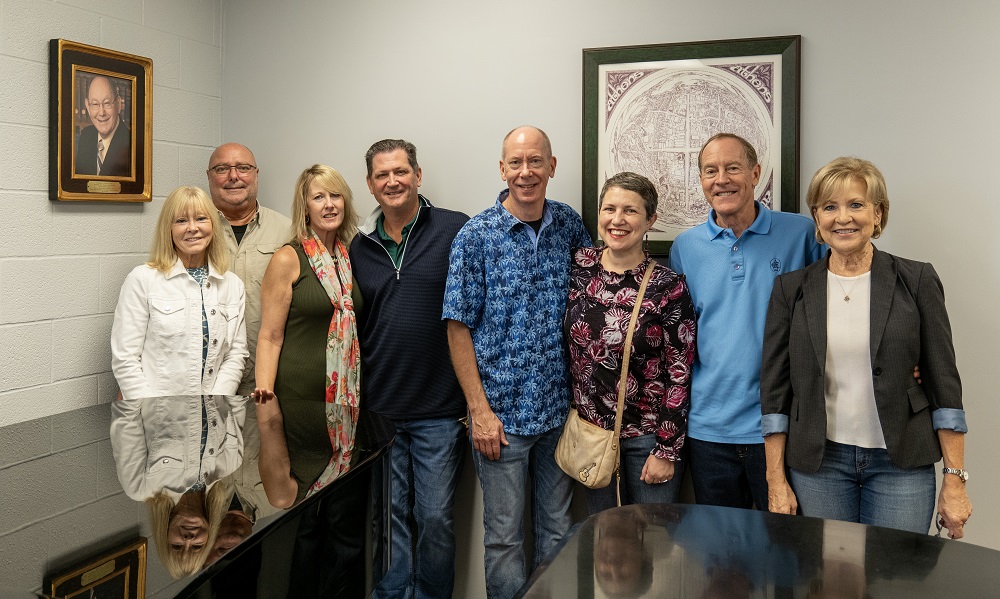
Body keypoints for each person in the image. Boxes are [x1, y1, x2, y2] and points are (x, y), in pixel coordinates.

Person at [760, 157, 972, 537]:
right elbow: (774, 393)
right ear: (817, 220)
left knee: (895, 581)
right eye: (829, 207)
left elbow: (944, 384)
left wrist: (955, 481)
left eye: (856, 205)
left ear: (878, 214)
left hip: (900, 463)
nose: (843, 218)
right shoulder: (790, 290)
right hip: (820, 465)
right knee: (830, 587)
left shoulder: (916, 279)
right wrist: (775, 479)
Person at [443, 125, 592, 599]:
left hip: (559, 413)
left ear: (552, 166)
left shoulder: (570, 225)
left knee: (557, 530)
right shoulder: (477, 235)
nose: (525, 172)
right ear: (502, 168)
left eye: (535, 161)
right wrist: (479, 411)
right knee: (504, 539)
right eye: (516, 163)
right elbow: (456, 327)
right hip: (500, 420)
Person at [669, 133, 824, 511]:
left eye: (733, 168)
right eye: (710, 171)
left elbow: (836, 304)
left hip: (781, 424)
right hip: (708, 429)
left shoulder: (801, 234)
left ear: (756, 173)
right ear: (702, 182)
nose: (721, 179)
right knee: (722, 557)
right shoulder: (685, 248)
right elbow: (677, 338)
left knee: (785, 553)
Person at [349, 139, 469, 598]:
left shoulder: (456, 230)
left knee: (435, 517)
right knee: (390, 519)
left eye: (401, 171)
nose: (392, 181)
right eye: (382, 175)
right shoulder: (358, 245)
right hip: (379, 410)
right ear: (370, 184)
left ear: (418, 175)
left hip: (440, 408)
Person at [110, 185, 248, 576]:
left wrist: (216, 403)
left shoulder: (230, 285)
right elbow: (125, 356)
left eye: (201, 218)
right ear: (168, 227)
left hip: (215, 409)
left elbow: (236, 352)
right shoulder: (144, 280)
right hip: (150, 412)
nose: (192, 228)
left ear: (213, 225)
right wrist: (149, 409)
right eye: (181, 219)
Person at [565, 172, 696, 512]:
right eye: (609, 209)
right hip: (591, 437)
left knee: (653, 543)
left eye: (630, 211)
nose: (617, 220)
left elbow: (679, 374)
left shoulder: (667, 286)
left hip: (648, 440)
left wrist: (666, 450)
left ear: (650, 219)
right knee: (604, 544)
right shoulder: (578, 269)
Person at [253, 164, 361, 509]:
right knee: (302, 514)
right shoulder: (289, 258)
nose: (329, 204)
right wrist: (264, 400)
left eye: (335, 195)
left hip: (346, 404)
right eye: (319, 197)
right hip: (298, 403)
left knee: (340, 513)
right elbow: (269, 335)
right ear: (305, 207)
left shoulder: (348, 256)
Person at [207, 143, 291, 522]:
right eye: (222, 169)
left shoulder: (288, 229)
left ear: (256, 175)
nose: (233, 176)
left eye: (243, 167)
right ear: (210, 178)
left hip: (271, 387)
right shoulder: (191, 228)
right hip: (208, 389)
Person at [75, 75, 131, 177]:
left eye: (107, 103)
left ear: (118, 104)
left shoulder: (132, 143)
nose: (101, 112)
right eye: (95, 104)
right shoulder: (86, 136)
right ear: (88, 106)